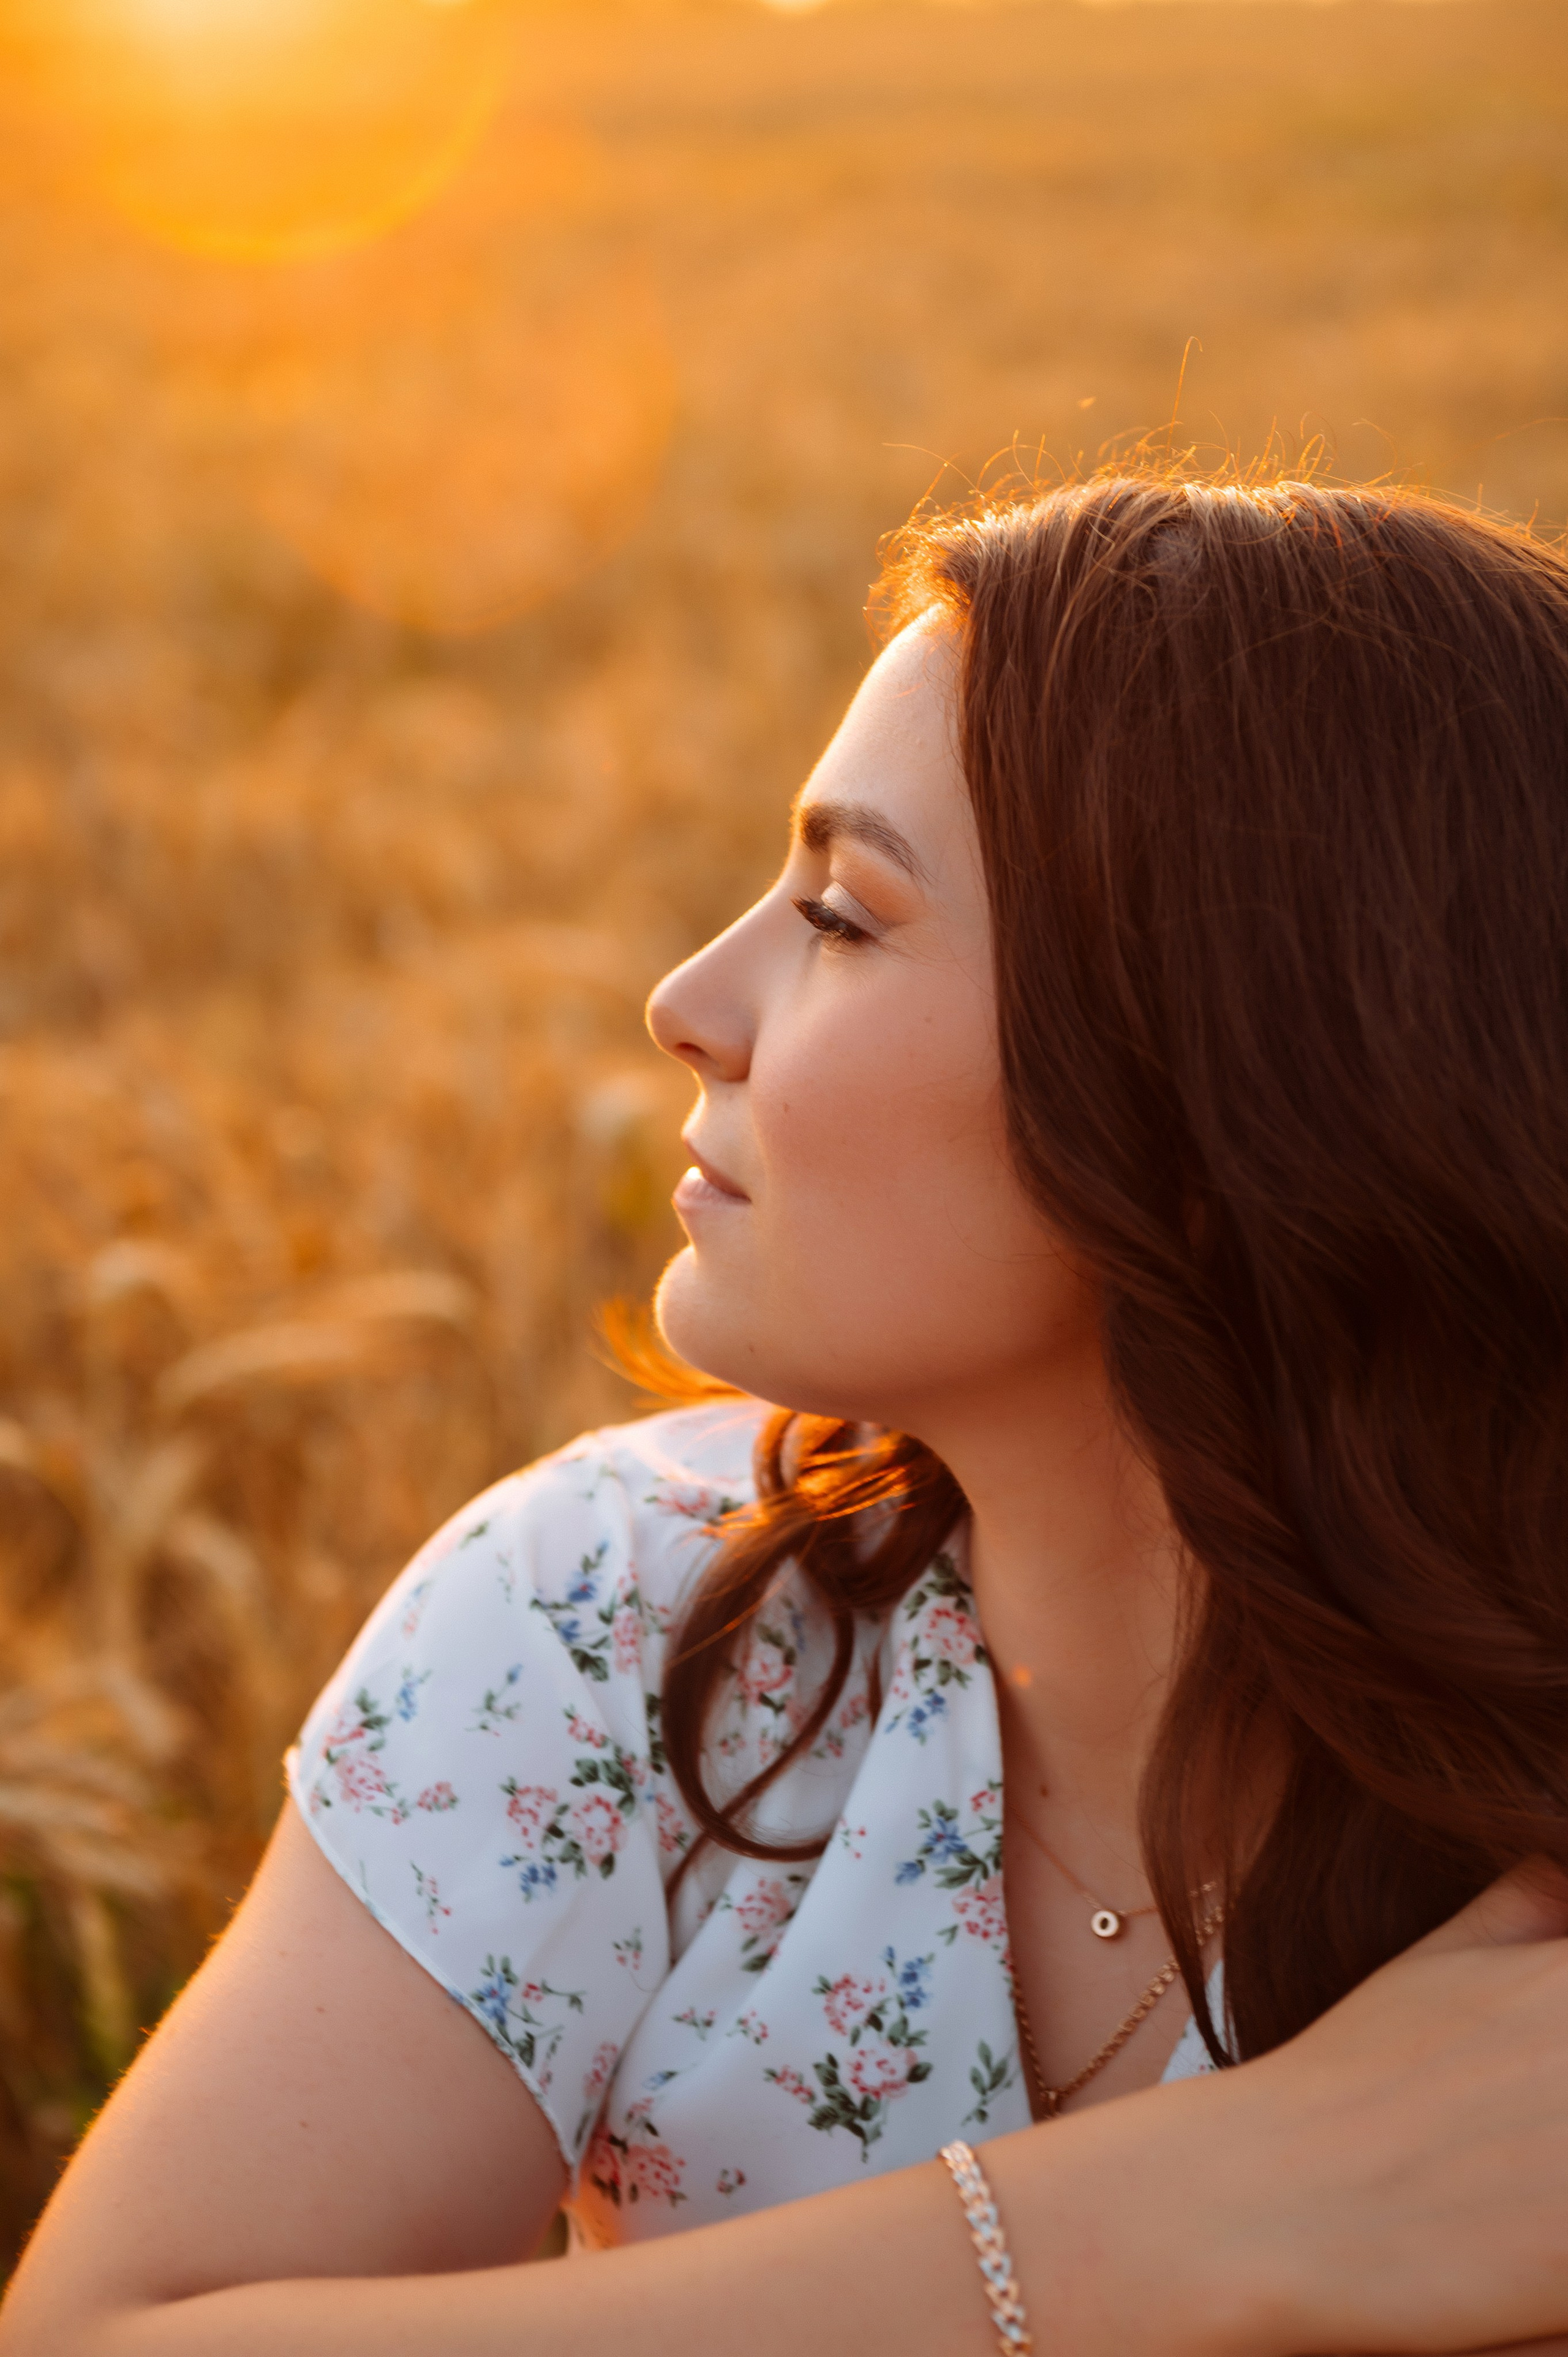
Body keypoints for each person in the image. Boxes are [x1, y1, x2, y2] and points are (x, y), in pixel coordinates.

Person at [6, 469, 1568, 2357]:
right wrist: (1184, 2224)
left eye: (841, 916)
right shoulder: (620, 1623)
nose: (684, 999)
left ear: (1235, 1106)